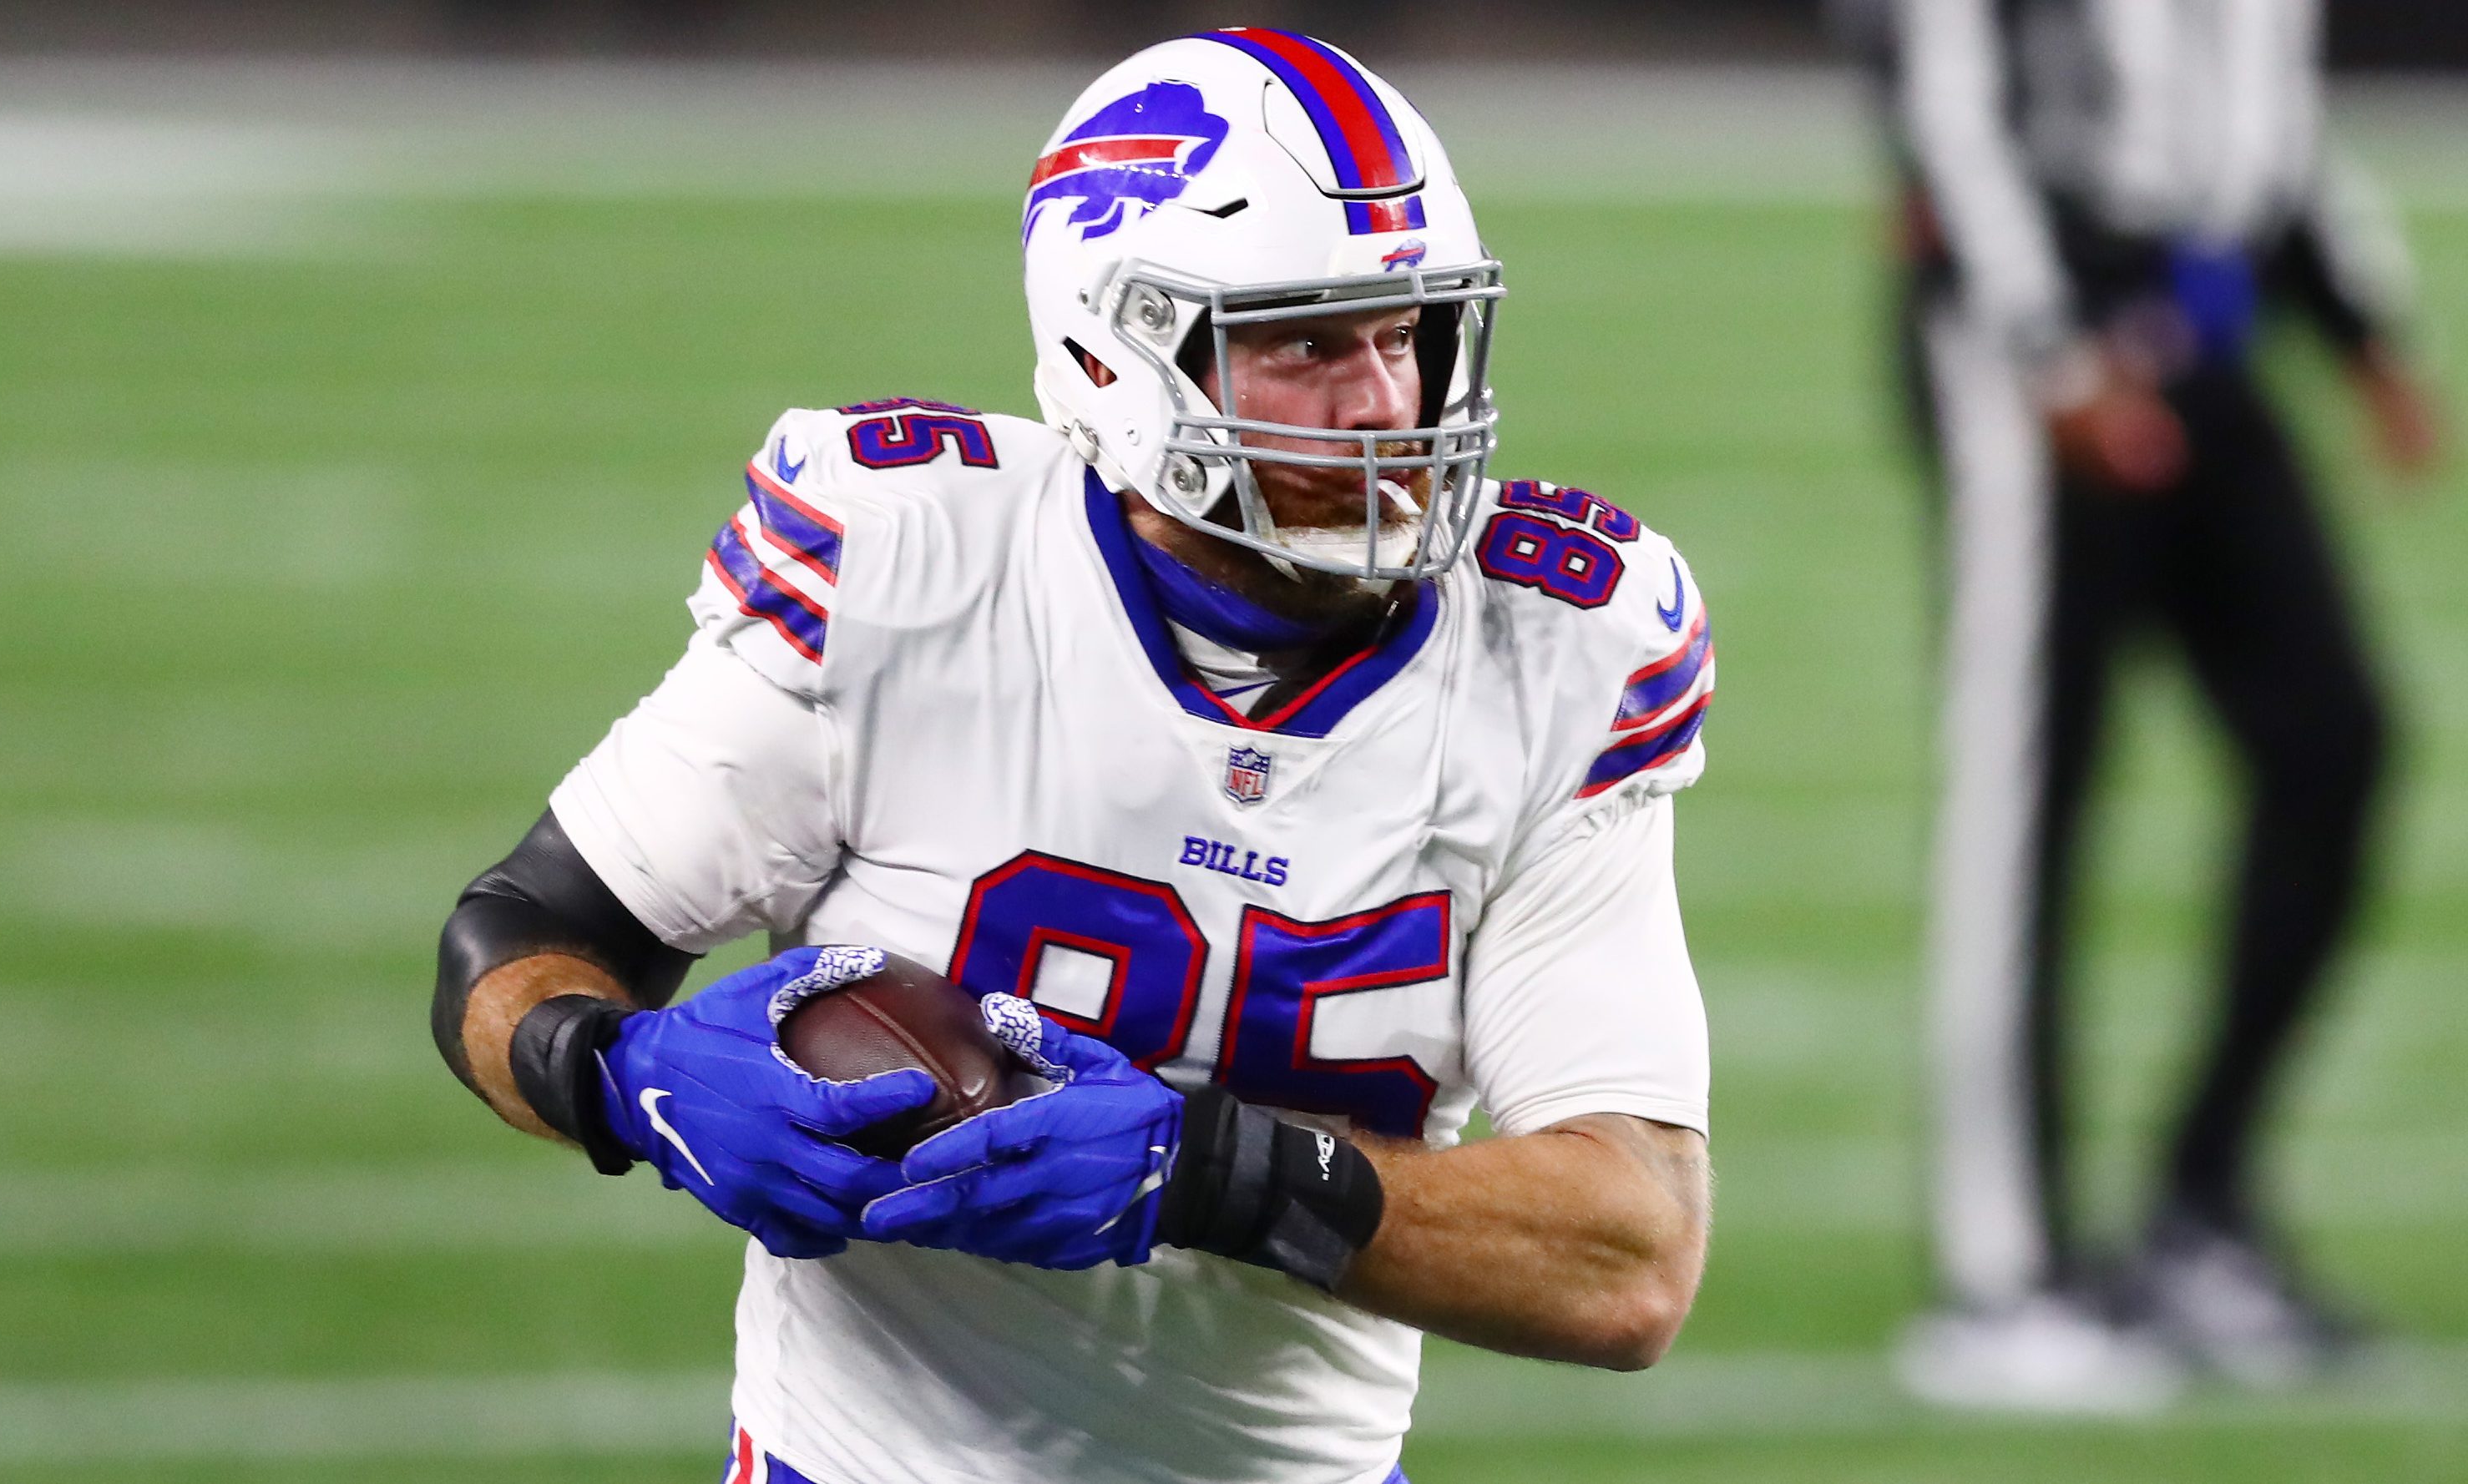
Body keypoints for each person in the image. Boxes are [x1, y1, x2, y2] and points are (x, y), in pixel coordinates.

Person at [432, 29, 1717, 1484]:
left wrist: (1217, 1172)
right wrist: (615, 1072)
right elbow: (521, 938)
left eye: (1404, 331)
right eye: (1303, 341)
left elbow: (1626, 1260)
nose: (1384, 408)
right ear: (1117, 354)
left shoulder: (1550, 648)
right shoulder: (913, 563)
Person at [1853, 0, 2442, 1406]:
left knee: (2332, 742)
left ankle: (2199, 1207)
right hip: (2032, 344)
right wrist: (2046, 342)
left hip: (2206, 317)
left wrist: (2357, 318)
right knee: (2028, 798)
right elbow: (1938, 83)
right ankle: (2001, 1276)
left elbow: (2260, 104)